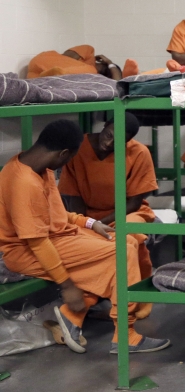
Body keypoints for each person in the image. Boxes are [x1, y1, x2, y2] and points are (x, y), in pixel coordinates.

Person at [0, 120, 170, 354]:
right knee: (122, 251)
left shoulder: (40, 168)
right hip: (27, 251)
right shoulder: (23, 182)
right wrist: (67, 285)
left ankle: (74, 317)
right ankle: (125, 334)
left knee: (130, 240)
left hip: (58, 237)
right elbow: (37, 242)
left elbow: (58, 214)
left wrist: (90, 223)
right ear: (63, 154)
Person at [59, 113, 157, 292]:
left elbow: (134, 203)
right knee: (82, 240)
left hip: (127, 212)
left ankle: (133, 293)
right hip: (89, 213)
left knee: (128, 236)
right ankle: (96, 292)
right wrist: (87, 224)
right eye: (109, 135)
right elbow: (73, 196)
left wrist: (98, 224)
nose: (109, 143)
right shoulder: (79, 147)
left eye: (119, 141)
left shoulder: (139, 153)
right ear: (104, 126)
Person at [27, 45, 138, 80]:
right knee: (90, 71)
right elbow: (66, 57)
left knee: (91, 73)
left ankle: (50, 76)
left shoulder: (93, 75)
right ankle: (53, 75)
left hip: (34, 76)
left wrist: (109, 62)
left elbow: (115, 85)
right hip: (44, 63)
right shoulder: (89, 52)